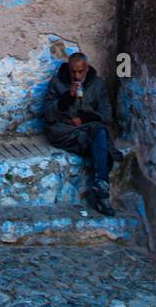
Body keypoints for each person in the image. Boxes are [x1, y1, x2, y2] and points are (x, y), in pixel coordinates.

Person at [43, 51, 116, 217]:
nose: (77, 75)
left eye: (80, 71)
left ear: (87, 68)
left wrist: (84, 118)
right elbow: (47, 115)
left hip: (87, 129)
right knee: (100, 142)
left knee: (100, 133)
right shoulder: (57, 83)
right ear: (68, 70)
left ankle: (101, 188)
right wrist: (66, 97)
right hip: (64, 132)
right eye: (73, 72)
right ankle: (101, 191)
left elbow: (107, 114)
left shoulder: (97, 84)